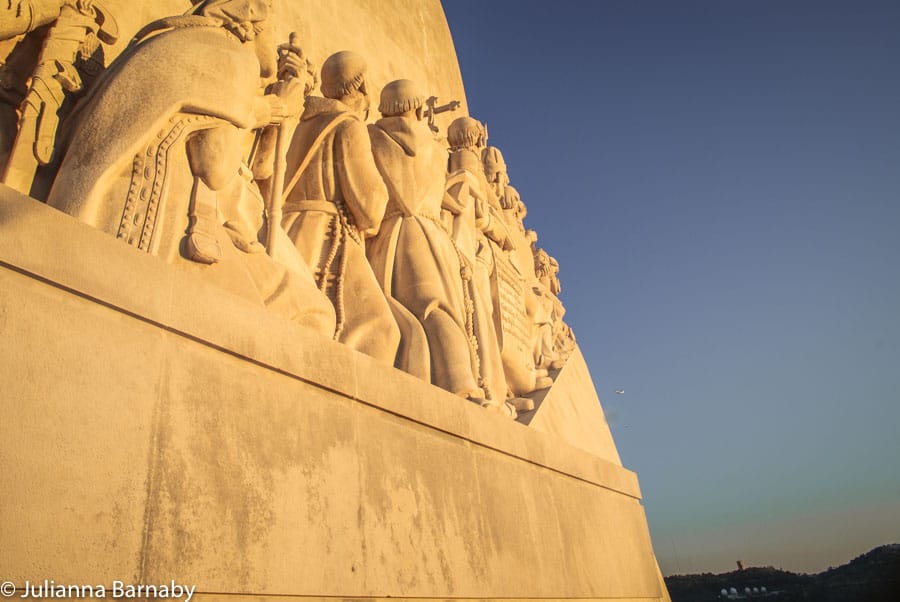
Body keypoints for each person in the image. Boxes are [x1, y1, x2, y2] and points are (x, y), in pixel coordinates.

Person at [45, 0, 336, 334]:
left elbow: (259, 168)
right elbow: (216, 166)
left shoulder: (171, 43)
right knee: (313, 313)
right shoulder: (230, 58)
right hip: (160, 230)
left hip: (109, 218)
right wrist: (270, 108)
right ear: (251, 21)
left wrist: (279, 112)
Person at [280, 50, 400, 365]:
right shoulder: (348, 125)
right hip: (327, 236)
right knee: (378, 330)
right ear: (360, 89)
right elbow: (368, 204)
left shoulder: (296, 115)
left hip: (287, 229)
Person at [366, 79, 483, 400]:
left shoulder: (374, 136)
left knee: (425, 308)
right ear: (417, 108)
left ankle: (457, 384)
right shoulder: (434, 148)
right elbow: (454, 203)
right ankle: (455, 381)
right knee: (440, 309)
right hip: (436, 235)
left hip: (398, 231)